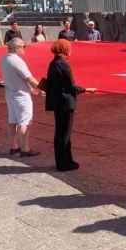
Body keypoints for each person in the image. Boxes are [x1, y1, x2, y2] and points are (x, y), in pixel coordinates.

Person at [45, 40, 95, 171]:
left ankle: (65, 161)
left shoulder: (53, 63)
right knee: (64, 134)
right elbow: (70, 86)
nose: (70, 50)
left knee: (61, 133)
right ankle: (64, 163)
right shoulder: (63, 64)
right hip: (65, 103)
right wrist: (86, 89)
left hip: (58, 102)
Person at [0, 38, 41, 157]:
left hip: (10, 93)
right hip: (21, 95)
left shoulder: (4, 59)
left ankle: (14, 146)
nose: (24, 49)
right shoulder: (17, 61)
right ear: (16, 48)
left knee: (12, 121)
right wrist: (41, 89)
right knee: (24, 122)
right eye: (23, 47)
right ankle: (25, 149)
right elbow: (30, 79)